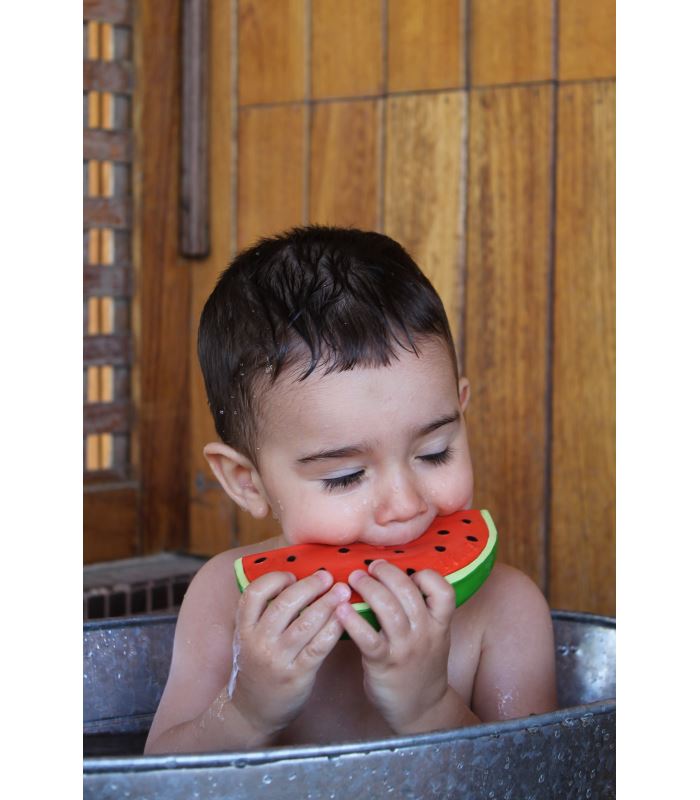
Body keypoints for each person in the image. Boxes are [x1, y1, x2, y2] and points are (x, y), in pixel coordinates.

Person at [144, 226, 557, 754]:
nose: (406, 505)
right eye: (344, 477)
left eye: (435, 453)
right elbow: (157, 777)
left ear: (461, 411)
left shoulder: (508, 610)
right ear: (247, 482)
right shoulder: (223, 596)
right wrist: (245, 712)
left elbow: (538, 778)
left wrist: (430, 707)